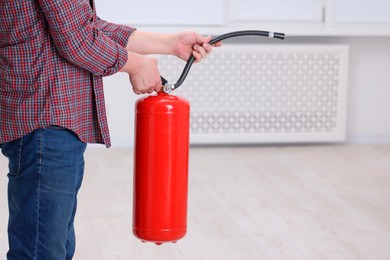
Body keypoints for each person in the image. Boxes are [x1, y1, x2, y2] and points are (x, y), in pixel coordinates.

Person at [0, 0, 220, 259]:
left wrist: (170, 43)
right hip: (46, 118)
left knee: (53, 243)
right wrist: (136, 64)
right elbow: (77, 38)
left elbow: (85, 26)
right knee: (41, 250)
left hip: (54, 120)